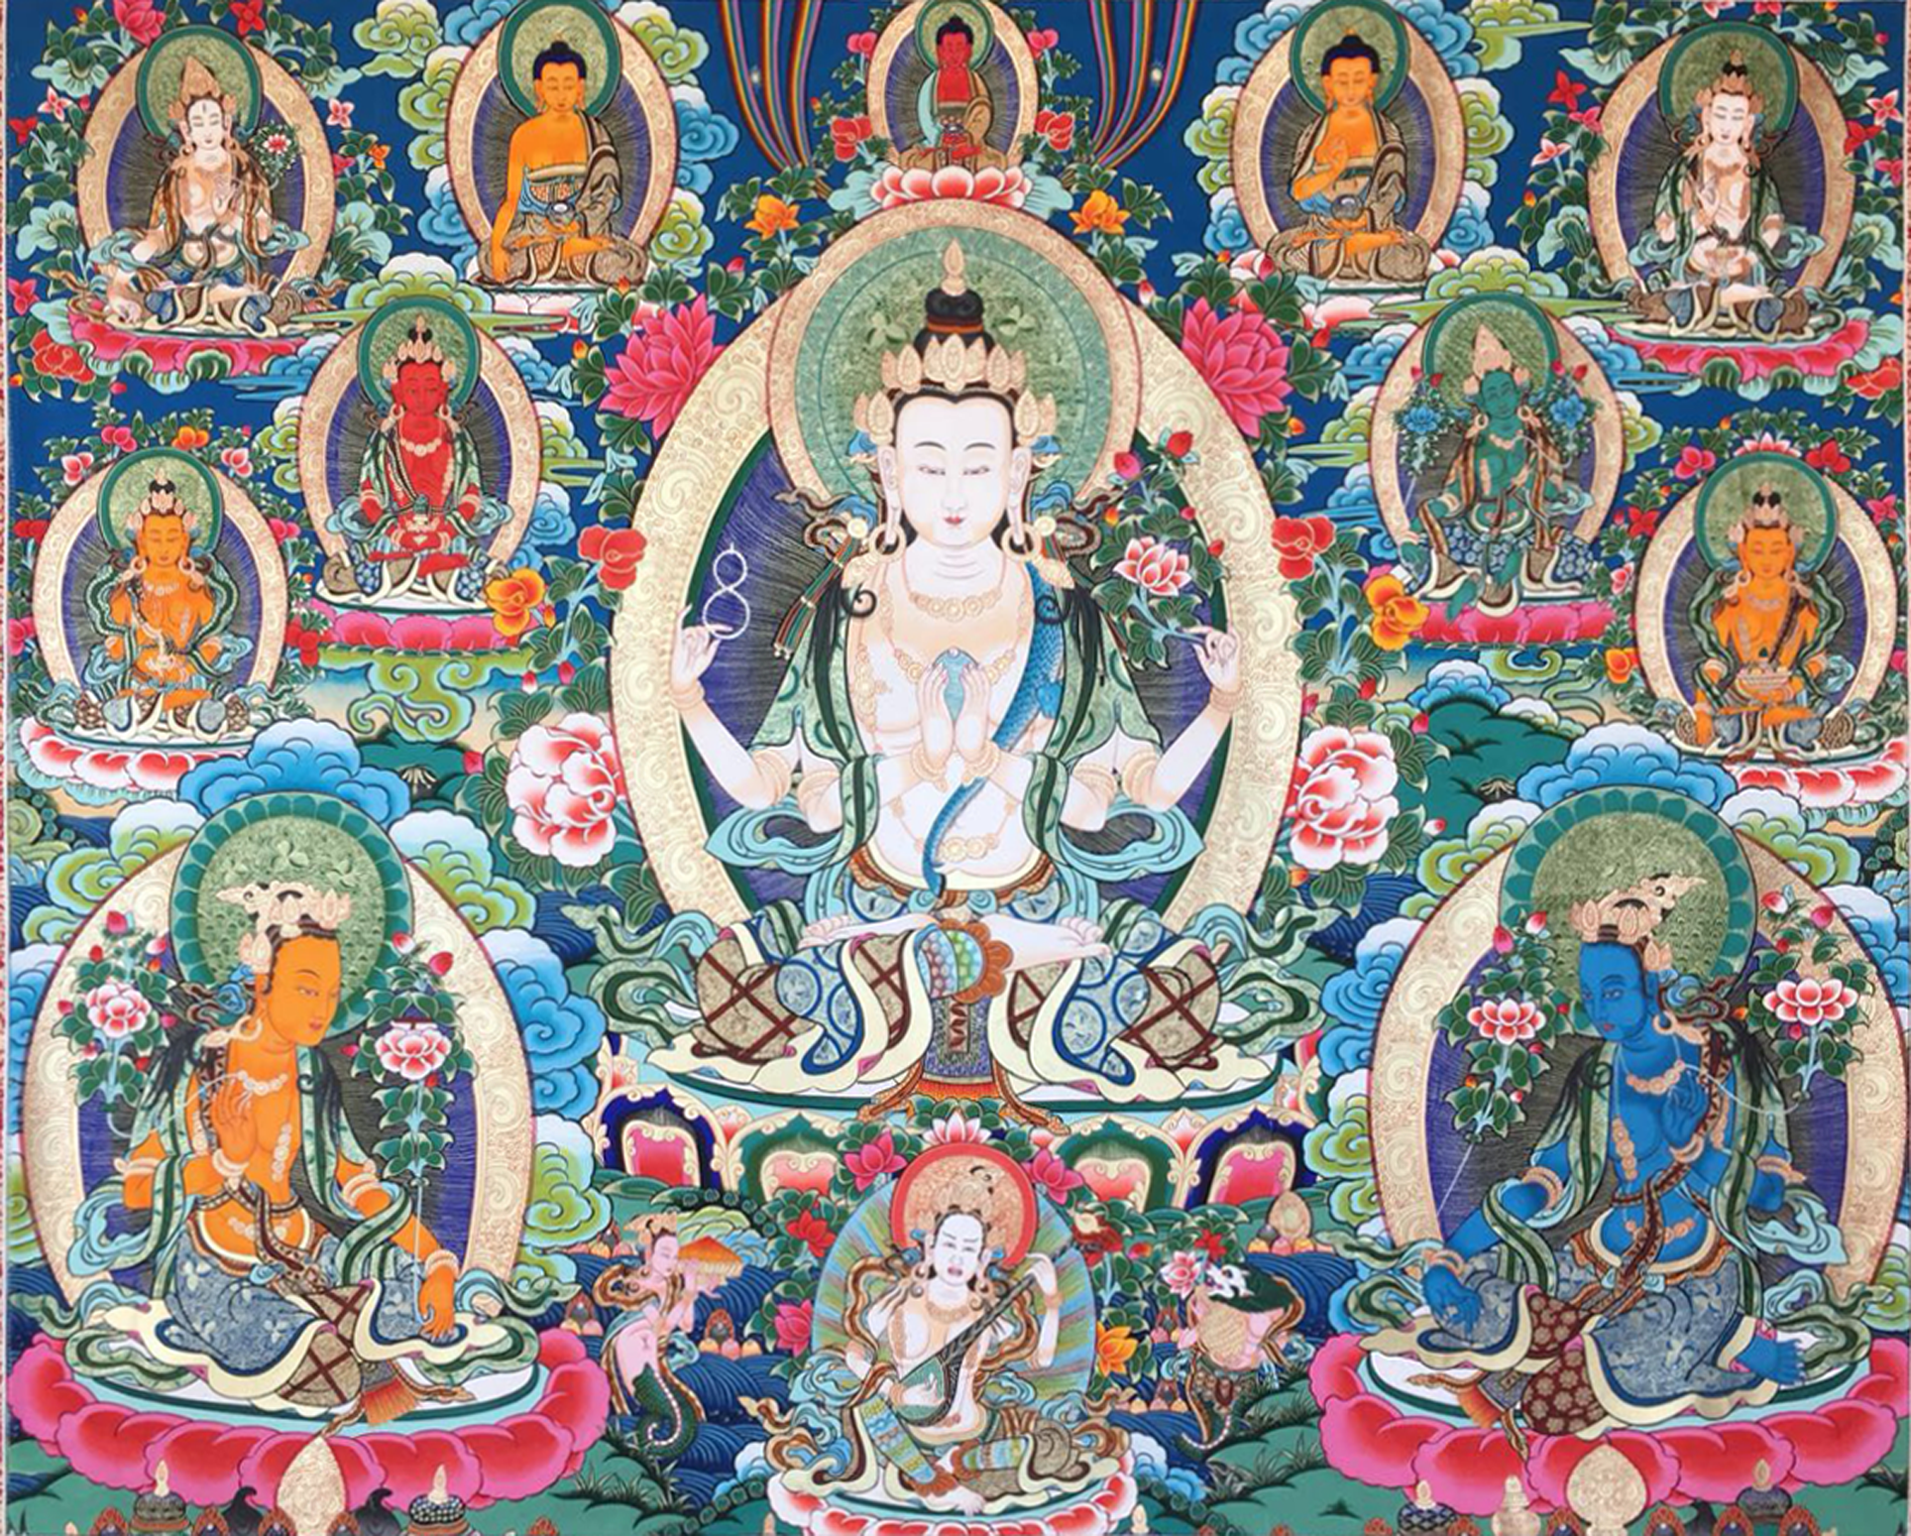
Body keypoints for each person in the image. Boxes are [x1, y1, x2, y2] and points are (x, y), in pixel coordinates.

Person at [659, 240, 1265, 1120]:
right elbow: (766, 786)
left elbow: (1144, 790)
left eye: (978, 466)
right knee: (750, 978)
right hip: (872, 902)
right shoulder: (846, 613)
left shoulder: (1065, 619)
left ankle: (1002, 984)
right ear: (886, 471)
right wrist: (687, 702)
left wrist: (1219, 706)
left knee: (1155, 982)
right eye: (929, 465)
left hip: (1034, 902)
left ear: (1018, 472)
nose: (952, 490)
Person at [1400, 875, 1835, 1447]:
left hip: (1699, 1270)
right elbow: (1544, 1181)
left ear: (1652, 977)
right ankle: (1634, 1339)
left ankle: (1731, 1337)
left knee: (1556, 1400)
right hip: (1599, 1255)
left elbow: (1769, 1195)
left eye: (1613, 990)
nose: (1599, 1009)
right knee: (1476, 1299)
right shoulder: (1598, 1072)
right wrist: (1450, 1259)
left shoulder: (1724, 1059)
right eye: (1589, 993)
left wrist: (1694, 1149)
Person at [100, 883, 473, 1425]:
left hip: (305, 1252)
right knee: (325, 1363)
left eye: (331, 993)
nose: (322, 1009)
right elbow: (138, 1190)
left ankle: (337, 1325)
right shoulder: (198, 1065)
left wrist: (435, 1261)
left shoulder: (311, 1071)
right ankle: (322, 1337)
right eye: (306, 989)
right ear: (262, 982)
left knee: (421, 1300)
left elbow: (357, 1183)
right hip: (217, 1267)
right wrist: (224, 1163)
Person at [94, 58, 305, 334]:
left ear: (226, 124)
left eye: (213, 121)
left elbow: (263, 230)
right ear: (186, 130)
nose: (207, 130)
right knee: (150, 288)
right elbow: (161, 234)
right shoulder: (177, 176)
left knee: (268, 296)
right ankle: (210, 298)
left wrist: (231, 217)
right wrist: (121, 280)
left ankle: (218, 299)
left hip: (234, 269)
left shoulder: (246, 171)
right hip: (184, 269)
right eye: (198, 122)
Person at [1625, 52, 1819, 337]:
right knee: (1697, 288)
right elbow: (1665, 232)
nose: (1727, 125)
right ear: (1706, 117)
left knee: (1745, 292)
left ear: (1748, 124)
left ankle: (1734, 305)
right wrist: (1698, 219)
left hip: (1742, 262)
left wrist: (1750, 257)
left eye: (1737, 116)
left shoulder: (1756, 176)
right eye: (1720, 114)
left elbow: (1772, 224)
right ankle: (1710, 302)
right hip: (1696, 260)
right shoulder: (1684, 172)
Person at [1408, 326, 1593, 614]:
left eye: (1506, 390)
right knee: (1419, 549)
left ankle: (1500, 577)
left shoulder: (1535, 438)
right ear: (1481, 402)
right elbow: (1459, 490)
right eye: (1492, 394)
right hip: (1478, 527)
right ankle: (1469, 579)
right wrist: (1439, 507)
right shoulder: (1475, 445)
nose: (1501, 400)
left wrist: (1541, 486)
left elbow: (1552, 487)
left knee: (1577, 556)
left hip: (1527, 528)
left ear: (1519, 392)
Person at [333, 320, 506, 602]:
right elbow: (369, 495)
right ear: (397, 392)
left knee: (469, 580)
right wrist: (395, 531)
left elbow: (471, 495)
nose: (423, 398)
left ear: (444, 391)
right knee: (365, 576)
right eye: (413, 389)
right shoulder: (385, 439)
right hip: (393, 541)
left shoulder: (457, 439)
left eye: (431, 388)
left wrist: (445, 532)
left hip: (446, 541)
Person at [1684, 485, 1851, 757]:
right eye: (1757, 550)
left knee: (1808, 723)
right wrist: (1702, 711)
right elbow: (1715, 662)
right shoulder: (1731, 601)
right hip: (1741, 694)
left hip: (1790, 694)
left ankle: (1769, 724)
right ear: (1743, 553)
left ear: (1790, 553)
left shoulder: (1803, 601)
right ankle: (1763, 723)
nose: (1767, 560)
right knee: (1727, 725)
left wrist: (1789, 689)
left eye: (1776, 550)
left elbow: (1817, 659)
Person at [81, 473, 249, 732]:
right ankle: (129, 710)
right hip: (138, 676)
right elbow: (115, 641)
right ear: (140, 540)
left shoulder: (198, 586)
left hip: (184, 675)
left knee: (208, 685)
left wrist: (188, 664)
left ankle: (197, 712)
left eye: (172, 538)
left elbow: (212, 639)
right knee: (116, 682)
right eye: (154, 538)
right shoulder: (127, 587)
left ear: (185, 540)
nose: (163, 547)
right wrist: (140, 652)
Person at [1266, 32, 1431, 284]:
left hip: (1373, 225)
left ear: (1372, 81)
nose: (1351, 89)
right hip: (1325, 228)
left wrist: (1366, 219)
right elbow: (1298, 192)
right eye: (1342, 81)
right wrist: (1332, 171)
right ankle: (1356, 247)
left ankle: (1358, 245)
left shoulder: (1386, 132)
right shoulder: (1314, 134)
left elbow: (1393, 191)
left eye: (1359, 79)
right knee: (1281, 253)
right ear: (1328, 83)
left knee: (1413, 258)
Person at [486, 38, 647, 287]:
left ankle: (575, 249)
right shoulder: (523, 136)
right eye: (553, 85)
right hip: (537, 234)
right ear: (539, 88)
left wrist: (578, 224)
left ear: (580, 87)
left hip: (585, 230)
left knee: (624, 262)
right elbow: (511, 201)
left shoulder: (596, 134)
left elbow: (606, 196)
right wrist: (497, 247)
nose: (561, 94)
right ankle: (572, 250)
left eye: (568, 85)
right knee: (491, 260)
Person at [595, 1225, 708, 1460]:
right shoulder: (639, 1283)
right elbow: (661, 1328)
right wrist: (688, 1293)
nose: (671, 1262)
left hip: (653, 1351)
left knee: (681, 1414)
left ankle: (652, 1442)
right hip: (635, 1348)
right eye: (665, 1254)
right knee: (665, 1406)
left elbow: (686, 1325)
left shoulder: (672, 1284)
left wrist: (689, 1290)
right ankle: (645, 1440)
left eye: (676, 1257)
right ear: (649, 1253)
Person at [902, 15, 1004, 171]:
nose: (954, 54)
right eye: (949, 48)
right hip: (939, 143)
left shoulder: (974, 80)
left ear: (969, 50)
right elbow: (925, 118)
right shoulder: (932, 82)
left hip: (969, 144)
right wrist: (940, 137)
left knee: (994, 162)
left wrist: (969, 137)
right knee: (911, 161)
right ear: (939, 51)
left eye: (959, 48)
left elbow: (983, 112)